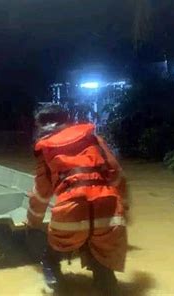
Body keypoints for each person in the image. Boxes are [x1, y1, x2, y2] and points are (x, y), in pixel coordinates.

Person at [25, 104, 129, 295]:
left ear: (39, 125)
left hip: (71, 215)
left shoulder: (45, 149)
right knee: (102, 254)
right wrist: (125, 210)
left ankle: (54, 275)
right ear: (68, 121)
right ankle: (105, 278)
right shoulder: (92, 139)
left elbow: (41, 195)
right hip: (109, 211)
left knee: (53, 249)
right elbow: (116, 175)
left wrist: (32, 224)